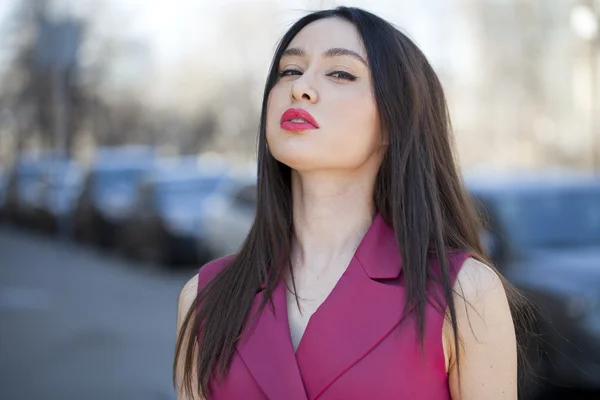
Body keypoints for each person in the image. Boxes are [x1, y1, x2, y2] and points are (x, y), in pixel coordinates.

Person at [174, 6, 519, 400]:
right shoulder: (205, 297)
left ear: (395, 119)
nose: (301, 87)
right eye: (289, 70)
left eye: (340, 73)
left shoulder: (463, 293)